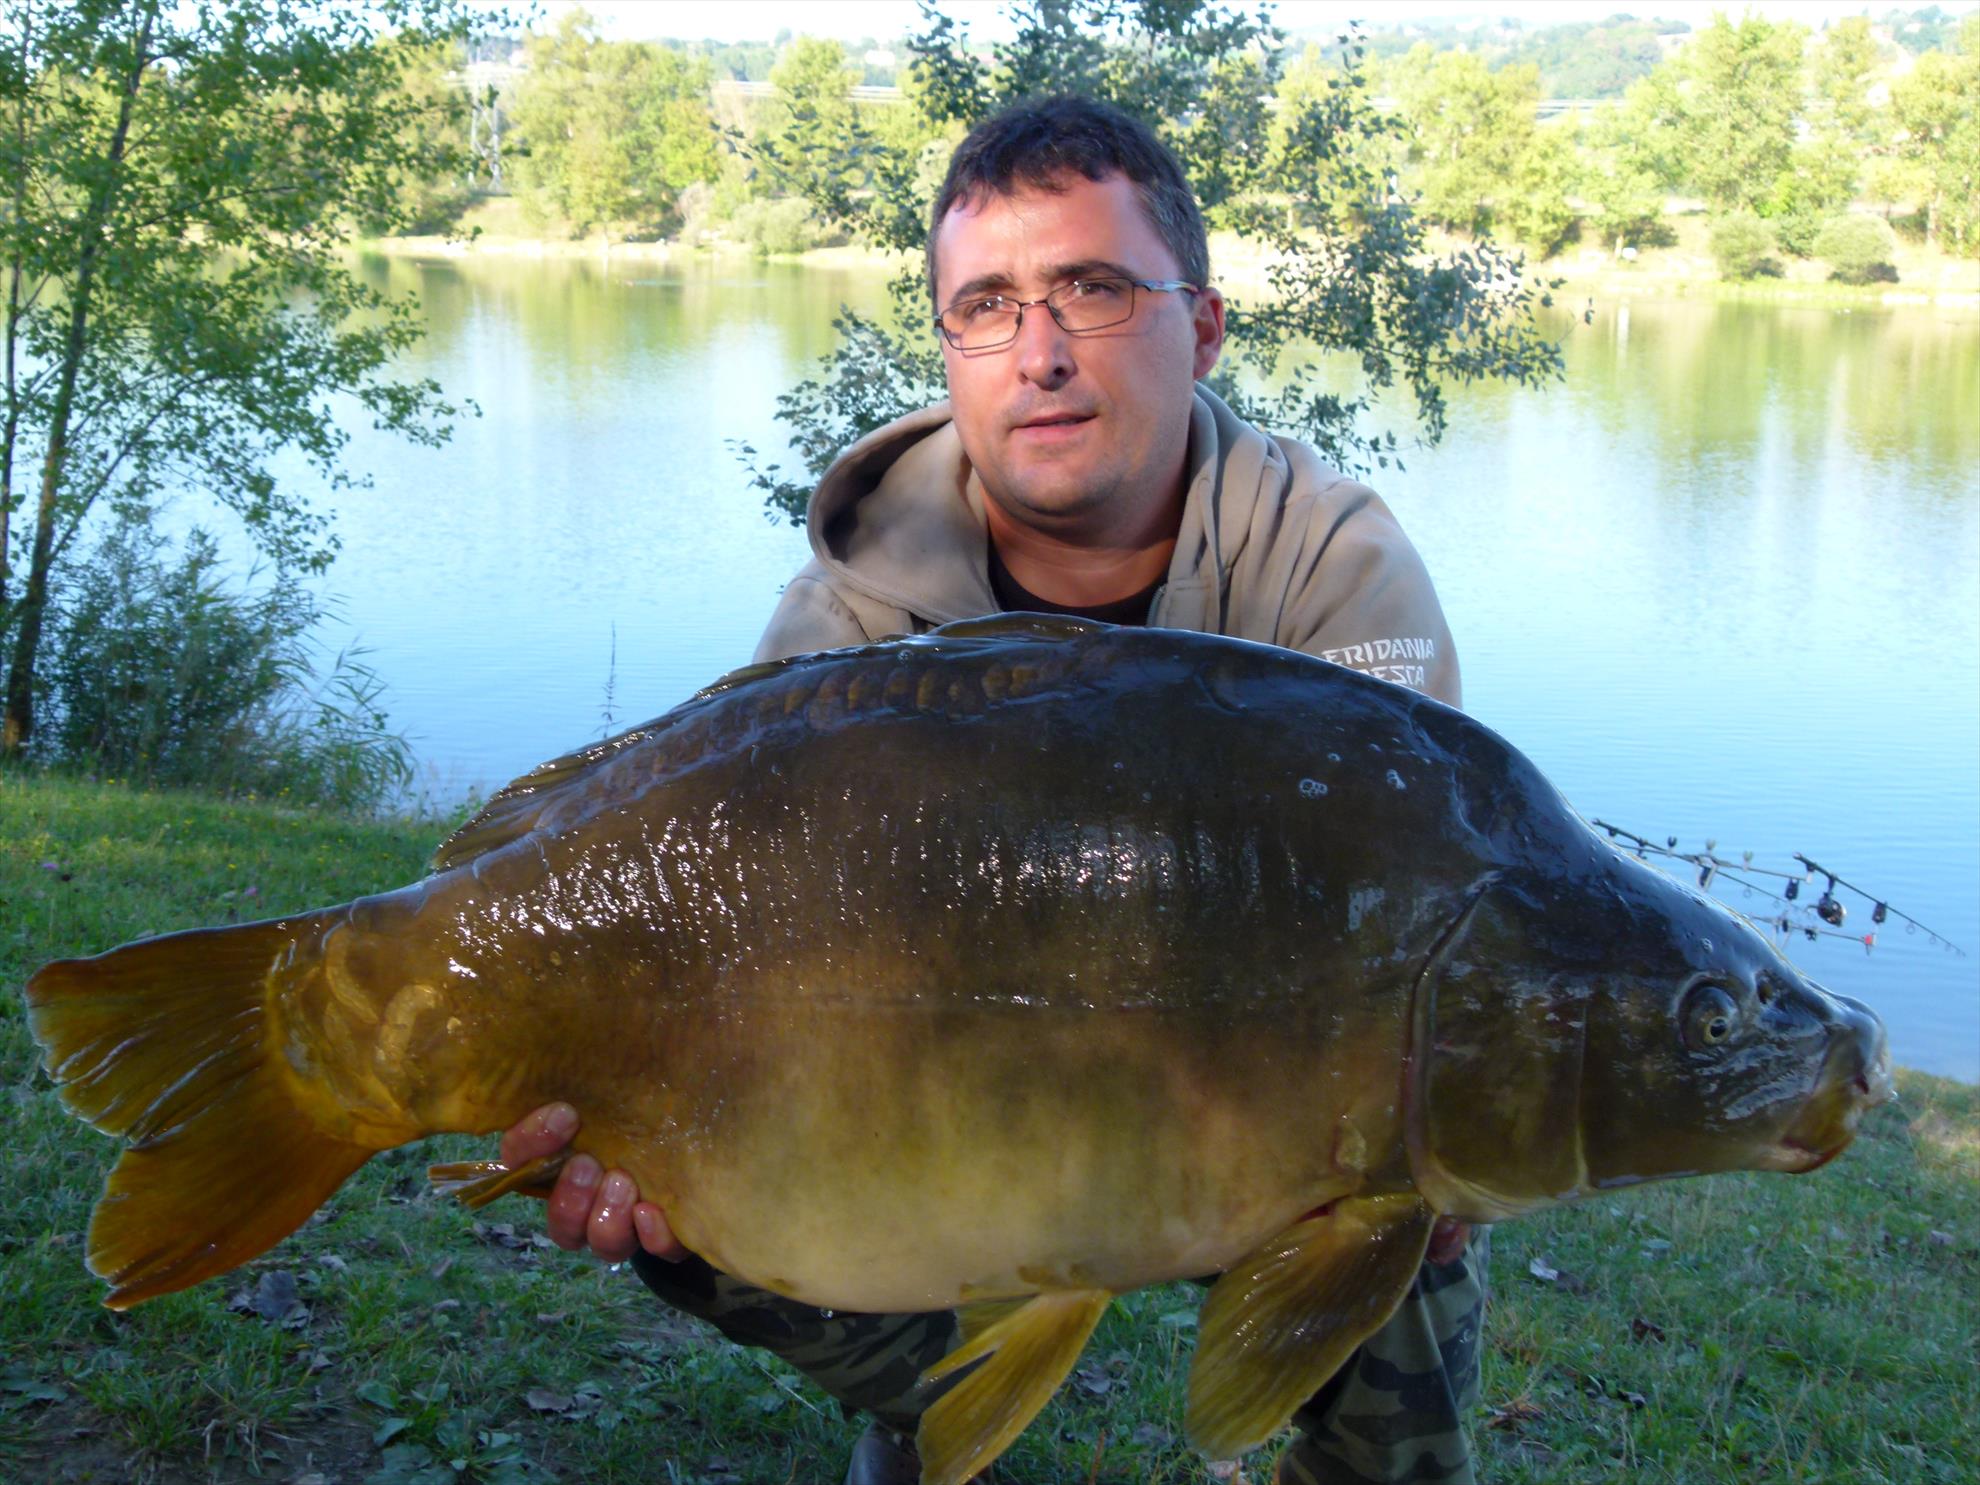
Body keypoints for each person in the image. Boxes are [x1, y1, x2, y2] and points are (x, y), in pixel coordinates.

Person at [499, 96, 1488, 1485]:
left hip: (1255, 1097)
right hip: (955, 1094)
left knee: (1418, 1192)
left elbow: (1436, 923)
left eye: (1094, 289)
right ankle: (925, 1400)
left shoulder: (1330, 569)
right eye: (987, 307)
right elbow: (735, 949)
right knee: (689, 1192)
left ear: (1203, 327)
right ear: (950, 344)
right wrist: (642, 1107)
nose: (1040, 352)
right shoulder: (846, 627)